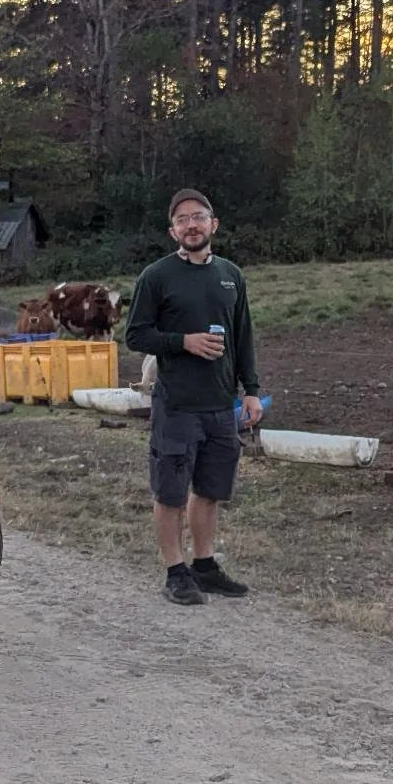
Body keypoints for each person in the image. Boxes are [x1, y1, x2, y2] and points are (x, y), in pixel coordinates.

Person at [123, 189, 263, 606]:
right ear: (172, 231)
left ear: (213, 224)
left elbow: (243, 337)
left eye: (198, 217)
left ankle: (204, 565)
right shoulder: (156, 276)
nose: (191, 225)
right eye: (182, 220)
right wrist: (183, 342)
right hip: (177, 406)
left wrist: (252, 391)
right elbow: (136, 335)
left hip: (220, 405)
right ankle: (175, 571)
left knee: (210, 489)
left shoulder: (231, 275)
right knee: (170, 492)